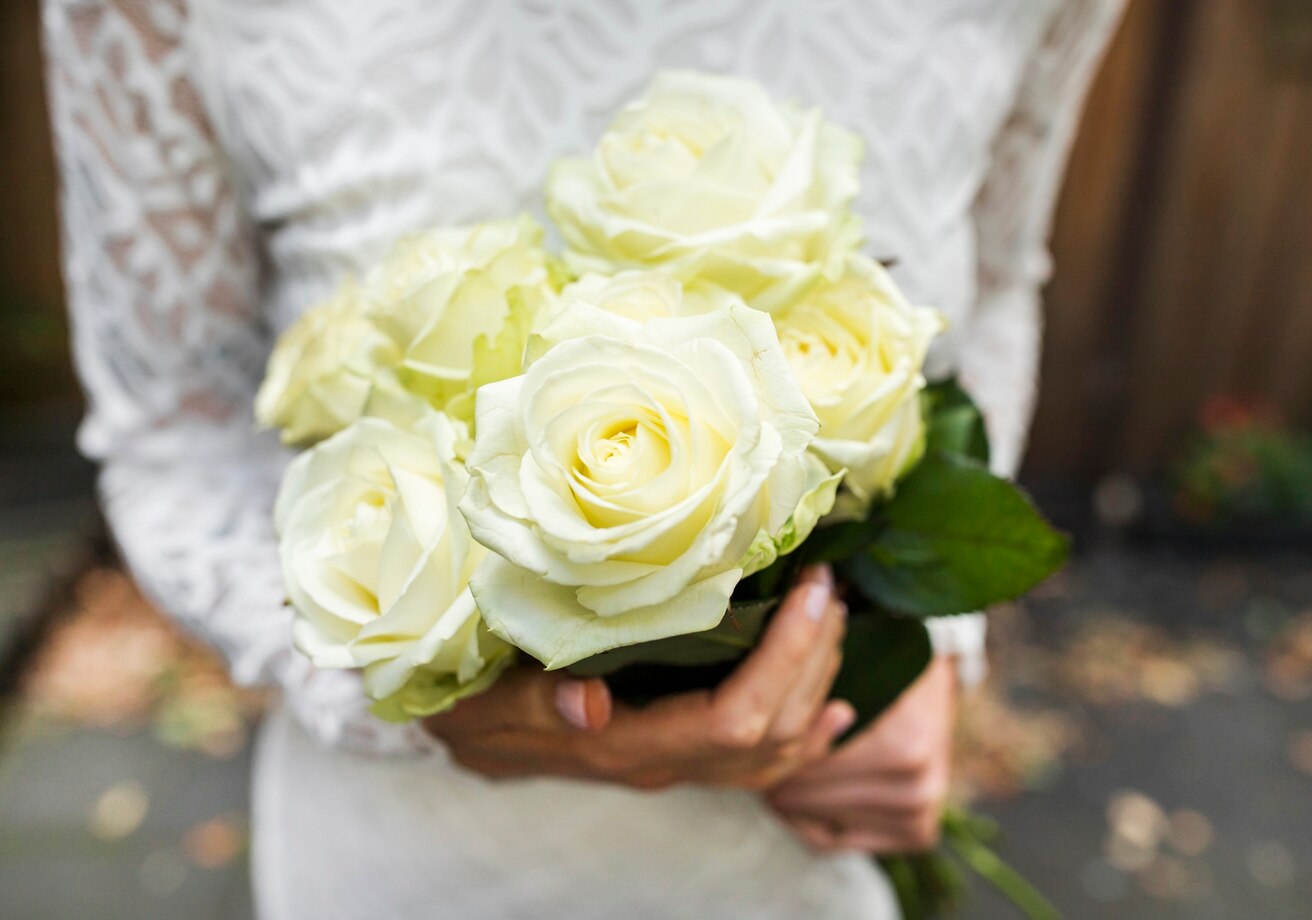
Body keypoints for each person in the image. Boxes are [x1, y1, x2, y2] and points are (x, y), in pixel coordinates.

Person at [43, 1, 1123, 917]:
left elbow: (995, 275)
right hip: (407, 857)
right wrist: (407, 702)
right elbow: (170, 428)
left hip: (804, 832)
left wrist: (932, 641)